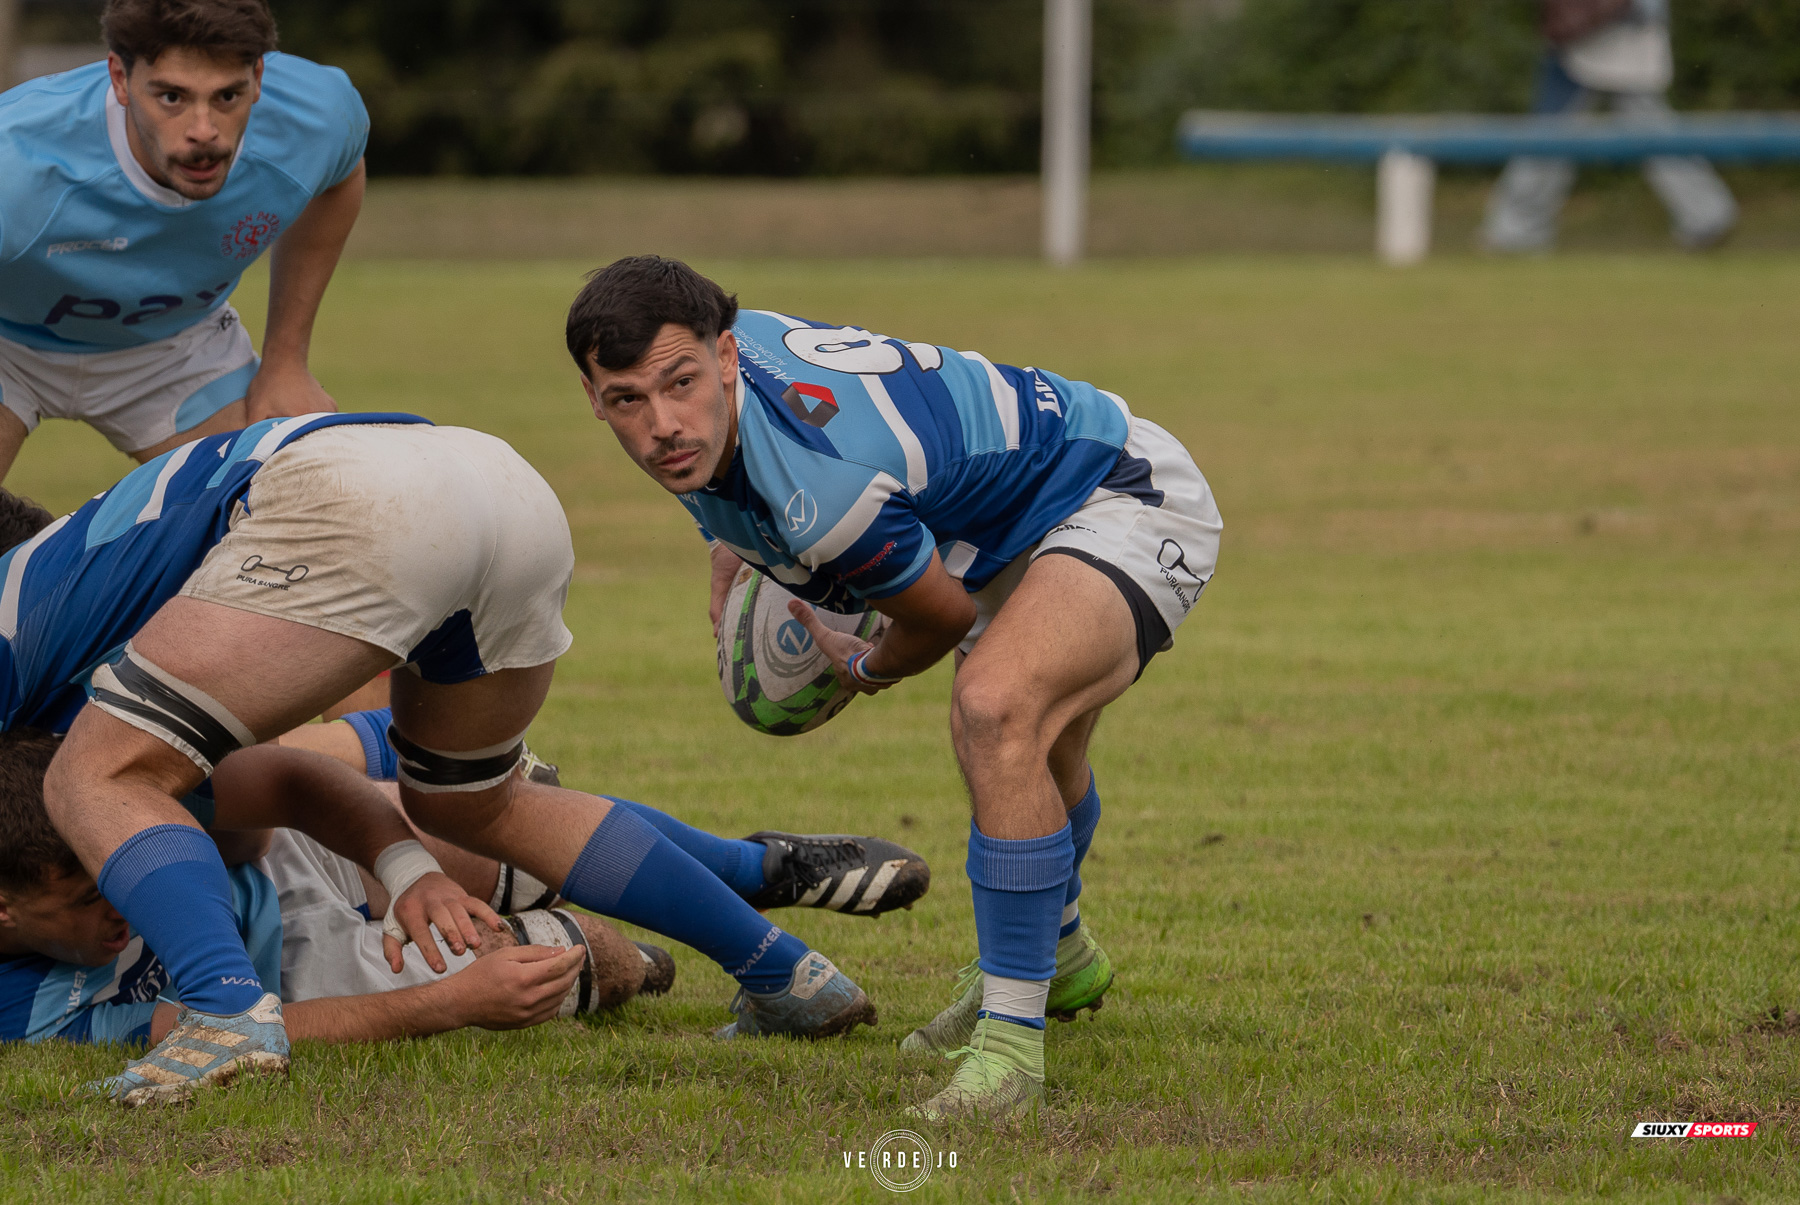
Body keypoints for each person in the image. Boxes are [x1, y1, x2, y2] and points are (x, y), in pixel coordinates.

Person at [3, 410, 912, 1106]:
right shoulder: (71, 599)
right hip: (495, 481)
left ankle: (224, 1010)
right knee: (484, 803)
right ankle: (783, 972)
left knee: (94, 778)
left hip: (354, 509)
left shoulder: (26, 657)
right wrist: (402, 862)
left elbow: (255, 784)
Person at [566, 256, 1224, 1120]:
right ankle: (1057, 960)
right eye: (626, 400)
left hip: (1120, 488)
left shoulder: (823, 487)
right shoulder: (722, 372)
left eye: (679, 383)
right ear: (593, 395)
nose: (662, 425)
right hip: (998, 519)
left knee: (995, 707)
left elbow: (938, 618)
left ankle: (1012, 1051)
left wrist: (865, 667)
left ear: (726, 355)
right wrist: (737, 543)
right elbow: (762, 475)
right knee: (1042, 745)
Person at [0, 727, 665, 1049]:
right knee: (587, 958)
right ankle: (646, 958)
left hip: (281, 856)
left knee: (535, 834)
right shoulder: (23, 1009)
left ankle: (749, 876)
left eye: (118, 866)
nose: (128, 897)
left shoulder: (87, 780)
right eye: (90, 896)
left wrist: (406, 865)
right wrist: (454, 1002)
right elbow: (227, 1031)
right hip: (292, 975)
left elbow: (287, 776)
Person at [0, 0, 367, 483]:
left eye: (227, 97)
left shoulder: (314, 117)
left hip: (175, 347)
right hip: (10, 345)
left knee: (301, 501)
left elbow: (341, 176)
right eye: (172, 97)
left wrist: (286, 360)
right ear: (120, 78)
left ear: (257, 77)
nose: (204, 132)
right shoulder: (18, 167)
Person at [1484, 0, 1736, 252]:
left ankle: (1516, 230)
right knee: (1651, 130)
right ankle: (1708, 214)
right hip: (1613, 29)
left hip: (1603, 30)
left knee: (1552, 131)